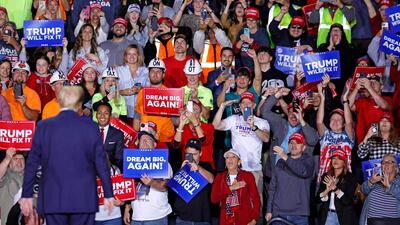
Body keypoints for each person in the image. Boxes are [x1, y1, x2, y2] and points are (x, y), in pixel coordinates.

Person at [19, 86, 114, 225]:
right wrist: (108, 193)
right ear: (79, 104)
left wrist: (26, 195)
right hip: (83, 198)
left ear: (60, 101)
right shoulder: (91, 126)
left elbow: (32, 164)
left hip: (53, 198)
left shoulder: (44, 126)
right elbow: (101, 163)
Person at [213, 91, 270, 202]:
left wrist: (253, 127)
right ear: (240, 106)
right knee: (235, 204)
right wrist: (222, 106)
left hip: (254, 170)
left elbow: (266, 138)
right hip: (236, 170)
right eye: (243, 103)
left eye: (249, 103)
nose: (246, 105)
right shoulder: (234, 119)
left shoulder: (262, 122)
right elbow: (215, 125)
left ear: (254, 105)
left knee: (255, 203)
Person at [123, 123, 173, 225]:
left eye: (148, 140)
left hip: (157, 216)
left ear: (154, 145)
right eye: (142, 140)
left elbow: (165, 186)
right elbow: (130, 187)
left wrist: (152, 183)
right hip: (136, 216)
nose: (144, 142)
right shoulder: (132, 162)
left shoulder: (163, 162)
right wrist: (127, 208)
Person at [265, 133, 315, 225]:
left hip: (299, 215)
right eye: (291, 143)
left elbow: (302, 171)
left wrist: (285, 156)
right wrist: (269, 210)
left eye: (297, 143)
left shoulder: (309, 161)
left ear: (303, 147)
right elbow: (272, 188)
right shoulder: (280, 162)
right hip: (278, 213)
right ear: (288, 145)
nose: (293, 145)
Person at [316, 77, 354, 182]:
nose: (335, 121)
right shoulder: (325, 134)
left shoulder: (348, 136)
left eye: (339, 119)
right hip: (324, 179)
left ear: (343, 124)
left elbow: (349, 122)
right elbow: (319, 122)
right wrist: (322, 98)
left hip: (343, 180)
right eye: (333, 119)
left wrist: (345, 100)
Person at [211, 149, 260, 225]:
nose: (230, 159)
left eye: (233, 157)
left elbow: (256, 199)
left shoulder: (247, 176)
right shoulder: (220, 177)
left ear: (239, 162)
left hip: (245, 221)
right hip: (226, 221)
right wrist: (231, 188)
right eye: (227, 157)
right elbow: (214, 199)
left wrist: (254, 219)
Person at [134, 58, 175, 143]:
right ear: (148, 74)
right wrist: (135, 137)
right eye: (152, 71)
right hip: (145, 138)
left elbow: (176, 121)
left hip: (165, 140)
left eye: (158, 72)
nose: (155, 74)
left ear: (163, 75)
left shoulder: (170, 94)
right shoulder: (142, 93)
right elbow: (137, 116)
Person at [174, 138, 214, 225]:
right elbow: (172, 189)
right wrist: (181, 171)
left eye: (195, 154)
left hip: (202, 218)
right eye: (189, 154)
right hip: (183, 218)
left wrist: (198, 168)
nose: (192, 157)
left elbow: (211, 179)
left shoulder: (206, 165)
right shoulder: (180, 165)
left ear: (200, 153)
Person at [317, 149, 358, 225]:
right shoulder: (326, 176)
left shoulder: (350, 178)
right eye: (334, 158)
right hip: (328, 215)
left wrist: (335, 188)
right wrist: (326, 191)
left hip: (345, 217)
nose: (336, 160)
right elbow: (318, 199)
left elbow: (347, 201)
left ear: (344, 162)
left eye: (339, 158)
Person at [349, 73, 392, 144]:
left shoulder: (388, 99)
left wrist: (369, 88)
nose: (372, 84)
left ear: (381, 87)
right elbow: (348, 106)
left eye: (375, 82)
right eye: (370, 83)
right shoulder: (362, 101)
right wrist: (356, 88)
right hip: (365, 143)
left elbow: (384, 105)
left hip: (385, 142)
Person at [360, 154, 400, 225]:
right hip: (372, 222)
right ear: (381, 166)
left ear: (396, 167)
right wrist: (371, 181)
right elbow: (363, 190)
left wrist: (389, 187)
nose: (386, 164)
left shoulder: (398, 181)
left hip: (393, 222)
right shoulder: (375, 179)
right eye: (384, 162)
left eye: (390, 162)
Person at [174, 101, 215, 169]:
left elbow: (204, 141)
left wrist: (194, 121)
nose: (192, 112)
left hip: (205, 164)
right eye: (191, 109)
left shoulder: (209, 127)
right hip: (187, 163)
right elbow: (176, 145)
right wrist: (181, 124)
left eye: (195, 109)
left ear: (201, 113)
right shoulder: (183, 128)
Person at [117, 44, 149, 121]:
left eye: (134, 54)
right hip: (123, 111)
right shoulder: (118, 70)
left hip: (141, 111)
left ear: (138, 56)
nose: (132, 56)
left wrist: (141, 89)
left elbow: (151, 90)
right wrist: (123, 92)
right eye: (129, 54)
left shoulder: (146, 71)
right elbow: (110, 90)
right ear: (125, 56)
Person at [95, 102, 125, 170]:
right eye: (99, 113)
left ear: (110, 116)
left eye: (106, 113)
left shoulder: (118, 134)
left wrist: (110, 167)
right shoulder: (88, 132)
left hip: (110, 171)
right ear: (96, 115)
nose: (102, 116)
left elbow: (119, 158)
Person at [0, 148, 24, 225]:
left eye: (22, 159)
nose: (19, 162)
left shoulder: (32, 176)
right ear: (9, 163)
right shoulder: (5, 175)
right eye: (15, 159)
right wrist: (7, 158)